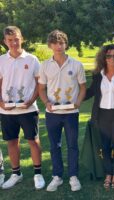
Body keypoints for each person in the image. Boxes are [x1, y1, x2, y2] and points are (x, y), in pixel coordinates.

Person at [38, 30, 86, 192]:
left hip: (71, 113)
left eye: (62, 42)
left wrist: (78, 102)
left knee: (72, 145)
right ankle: (57, 176)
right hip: (52, 114)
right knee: (54, 146)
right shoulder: (44, 65)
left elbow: (83, 88)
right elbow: (41, 89)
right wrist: (46, 102)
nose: (59, 46)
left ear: (66, 44)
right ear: (50, 45)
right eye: (55, 42)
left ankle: (73, 176)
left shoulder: (76, 64)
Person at [0, 26, 45, 190]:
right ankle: (16, 174)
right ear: (5, 41)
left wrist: (31, 100)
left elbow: (39, 85)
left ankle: (38, 173)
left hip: (28, 109)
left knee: (33, 141)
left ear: (22, 38)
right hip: (7, 111)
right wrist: (1, 103)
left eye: (16, 39)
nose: (13, 43)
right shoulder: (1, 60)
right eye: (9, 40)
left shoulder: (32, 59)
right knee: (11, 142)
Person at [85, 44, 114, 189]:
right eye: (108, 55)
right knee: (104, 146)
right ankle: (108, 174)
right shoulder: (98, 75)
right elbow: (91, 91)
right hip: (102, 115)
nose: (111, 58)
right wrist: (75, 96)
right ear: (103, 57)